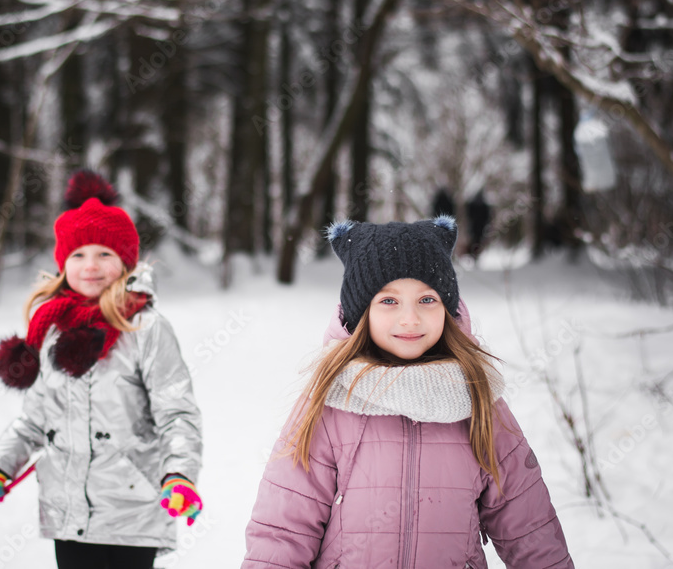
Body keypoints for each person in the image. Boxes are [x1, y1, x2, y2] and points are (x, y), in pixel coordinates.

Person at [242, 216, 574, 568]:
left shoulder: (476, 397)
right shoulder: (331, 399)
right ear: (360, 311)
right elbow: (283, 529)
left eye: (427, 300)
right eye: (389, 301)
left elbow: (529, 524)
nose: (410, 319)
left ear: (447, 308)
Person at [0, 170, 203, 569]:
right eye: (78, 254)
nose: (90, 265)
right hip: (68, 512)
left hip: (133, 507)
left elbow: (177, 413)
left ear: (125, 261)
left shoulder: (144, 328)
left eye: (104, 254)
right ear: (62, 264)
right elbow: (36, 419)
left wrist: (179, 474)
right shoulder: (52, 329)